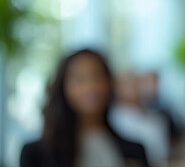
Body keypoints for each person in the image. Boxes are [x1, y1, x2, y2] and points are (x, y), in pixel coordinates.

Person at [20, 49, 149, 167]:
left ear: (109, 83)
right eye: (79, 79)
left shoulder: (135, 150)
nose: (90, 86)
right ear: (63, 87)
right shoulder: (37, 153)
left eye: (97, 76)